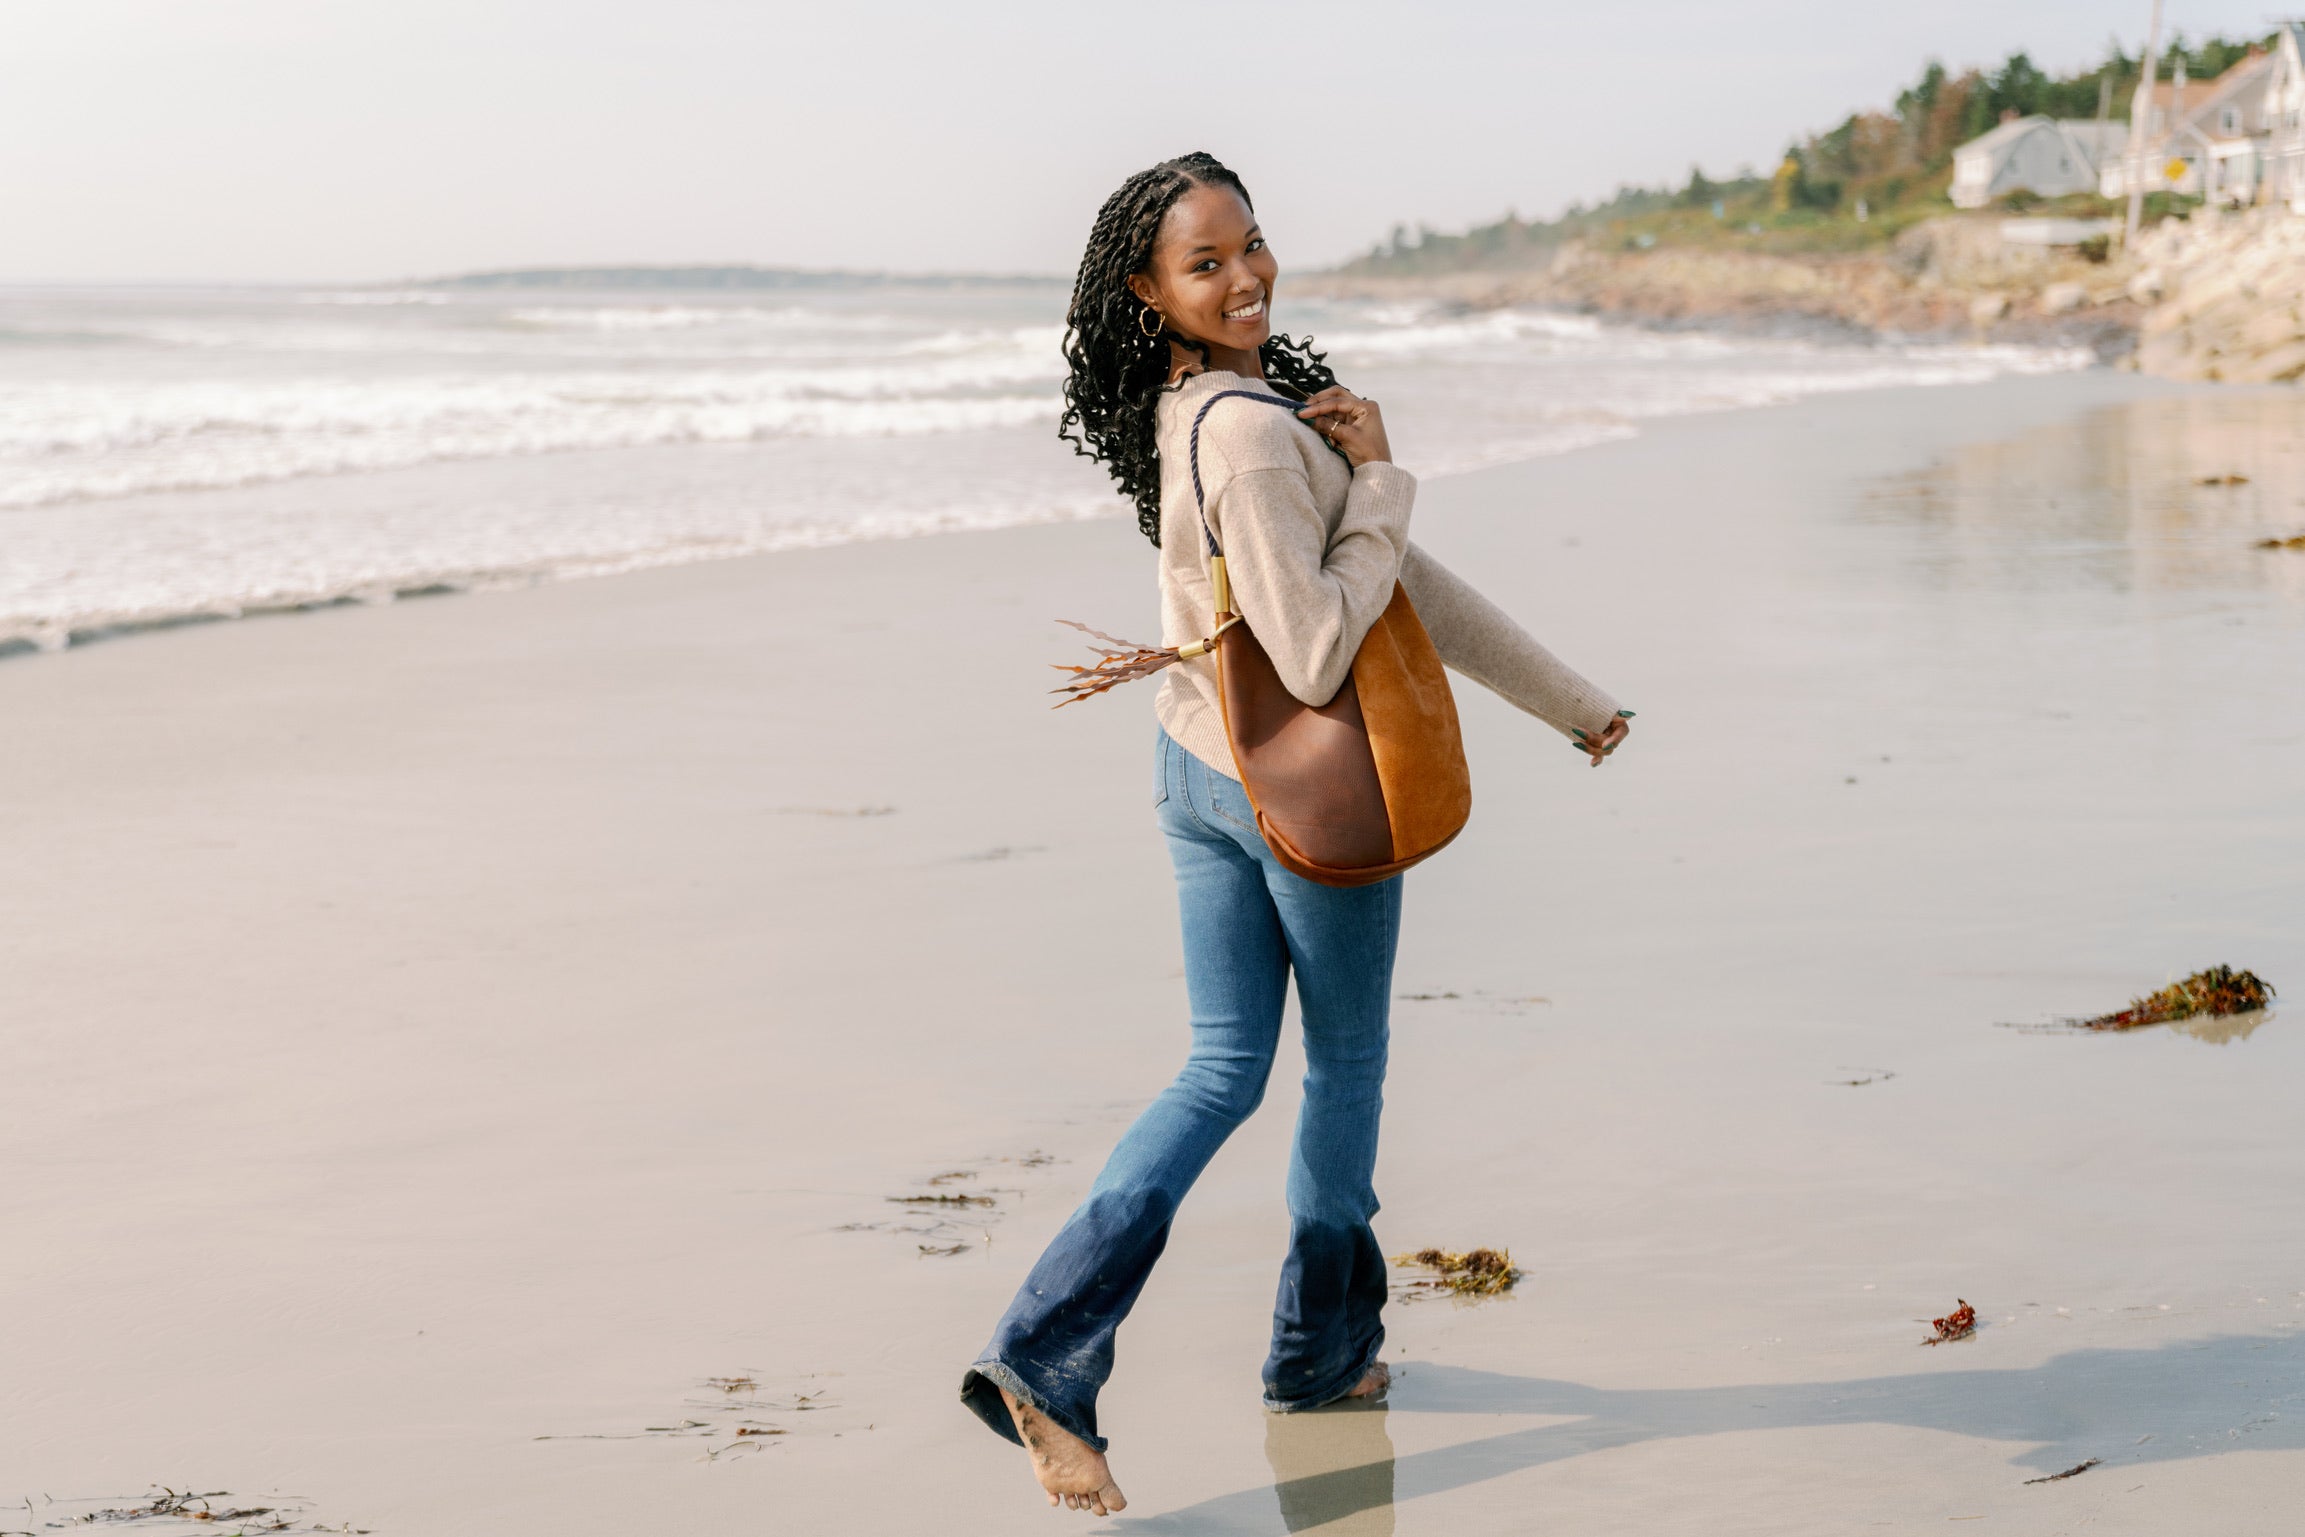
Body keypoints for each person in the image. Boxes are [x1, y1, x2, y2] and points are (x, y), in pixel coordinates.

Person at [959, 151, 1631, 1516]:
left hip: (1195, 767)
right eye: (1204, 263)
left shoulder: (1196, 407)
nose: (1244, 274)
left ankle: (1045, 1348)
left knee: (1216, 1070)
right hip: (1297, 794)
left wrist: (1569, 701)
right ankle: (1302, 1354)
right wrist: (1381, 483)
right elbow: (1323, 644)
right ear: (1149, 293)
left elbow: (1400, 591)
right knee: (1342, 1066)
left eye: (1249, 244)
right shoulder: (1260, 436)